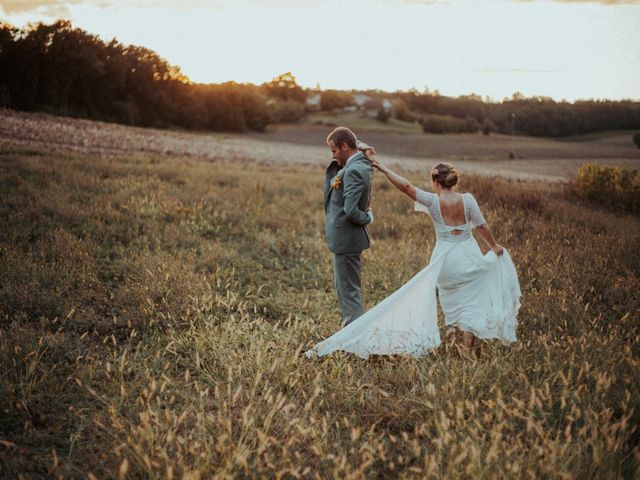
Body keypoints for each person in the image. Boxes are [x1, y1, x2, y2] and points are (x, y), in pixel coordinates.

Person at [307, 158, 520, 359]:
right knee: (470, 300)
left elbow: (406, 187)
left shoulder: (434, 202)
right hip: (468, 256)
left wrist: (383, 168)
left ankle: (453, 334)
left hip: (445, 261)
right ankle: (466, 348)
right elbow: (482, 226)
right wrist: (494, 246)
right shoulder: (468, 200)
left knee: (451, 298)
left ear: (436, 182)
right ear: (452, 181)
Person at [324, 127, 374, 327]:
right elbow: (351, 141)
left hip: (347, 240)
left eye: (334, 151)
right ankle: (352, 335)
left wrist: (368, 217)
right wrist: (360, 146)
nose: (333, 156)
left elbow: (351, 211)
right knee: (346, 290)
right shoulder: (359, 162)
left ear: (345, 147)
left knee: (349, 293)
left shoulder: (353, 170)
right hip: (346, 240)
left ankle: (355, 340)